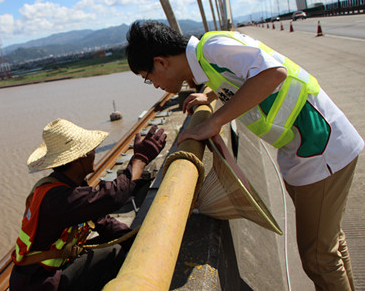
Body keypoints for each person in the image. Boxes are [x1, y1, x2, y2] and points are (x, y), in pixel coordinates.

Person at [125, 20, 363, 290]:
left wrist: (214, 122)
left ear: (161, 62)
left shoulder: (213, 48)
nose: (154, 85)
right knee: (330, 245)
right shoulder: (208, 59)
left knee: (318, 259)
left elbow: (273, 73)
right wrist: (211, 96)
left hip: (321, 146)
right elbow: (243, 76)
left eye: (148, 77)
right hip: (307, 148)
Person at [9, 118, 166, 291]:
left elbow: (101, 220)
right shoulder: (57, 198)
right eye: (90, 150)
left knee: (117, 242)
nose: (94, 152)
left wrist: (137, 240)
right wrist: (140, 159)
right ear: (78, 159)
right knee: (112, 252)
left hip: (50, 271)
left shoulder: (69, 186)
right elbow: (113, 197)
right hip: (39, 283)